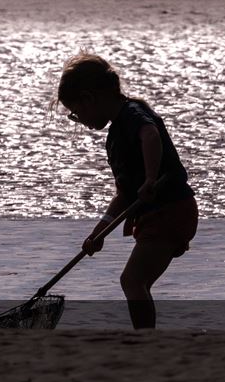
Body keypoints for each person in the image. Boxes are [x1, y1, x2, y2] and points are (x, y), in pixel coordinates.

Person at [56, 53, 198, 328]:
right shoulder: (115, 136)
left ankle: (144, 341)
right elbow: (124, 195)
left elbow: (151, 135)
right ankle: (145, 336)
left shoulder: (132, 114)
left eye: (77, 112)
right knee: (136, 281)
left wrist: (150, 178)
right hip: (155, 215)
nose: (79, 120)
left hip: (171, 210)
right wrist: (98, 233)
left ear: (89, 98)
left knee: (133, 280)